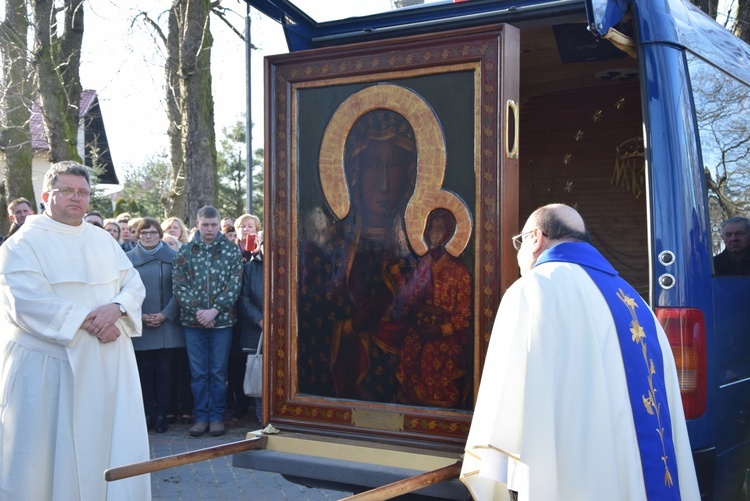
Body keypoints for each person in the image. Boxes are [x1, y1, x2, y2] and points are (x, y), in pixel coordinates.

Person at [460, 203, 699, 500]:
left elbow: (505, 414)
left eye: (519, 242)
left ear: (536, 237)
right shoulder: (635, 301)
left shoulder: (533, 290)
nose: (518, 252)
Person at [0, 160, 150, 499]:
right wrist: (94, 322)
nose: (76, 198)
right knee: (46, 458)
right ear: (46, 195)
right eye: (66, 190)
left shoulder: (103, 240)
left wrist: (117, 309)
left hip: (108, 365)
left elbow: (133, 284)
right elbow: (27, 301)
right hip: (51, 368)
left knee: (109, 446)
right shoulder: (21, 244)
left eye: (83, 192)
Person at [173, 206, 243, 437]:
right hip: (193, 323)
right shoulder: (185, 251)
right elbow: (179, 286)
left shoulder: (231, 251)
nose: (210, 229)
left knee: (218, 372)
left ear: (219, 224)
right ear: (197, 223)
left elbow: (235, 285)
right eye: (205, 225)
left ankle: (217, 417)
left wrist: (214, 310)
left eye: (214, 225)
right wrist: (200, 313)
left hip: (221, 322)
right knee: (198, 373)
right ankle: (200, 416)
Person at [395, 208, 471, 408]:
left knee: (433, 352)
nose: (431, 234)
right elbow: (409, 298)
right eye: (429, 228)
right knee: (410, 344)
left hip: (447, 336)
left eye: (437, 229)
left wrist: (440, 330)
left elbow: (464, 315)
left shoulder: (459, 271)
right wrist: (398, 279)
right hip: (421, 329)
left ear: (449, 234)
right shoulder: (422, 266)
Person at [126, 218, 183, 434]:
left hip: (166, 324)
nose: (148, 236)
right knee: (144, 372)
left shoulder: (175, 258)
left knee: (165, 372)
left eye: (152, 232)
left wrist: (165, 314)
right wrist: (138, 315)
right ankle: (147, 413)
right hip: (140, 324)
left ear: (160, 234)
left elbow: (181, 290)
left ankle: (162, 415)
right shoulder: (127, 260)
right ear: (137, 236)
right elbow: (121, 290)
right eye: (144, 233)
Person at [236, 233, 265, 422]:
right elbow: (243, 298)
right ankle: (262, 416)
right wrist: (259, 319)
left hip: (284, 331)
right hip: (257, 331)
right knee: (260, 372)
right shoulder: (249, 269)